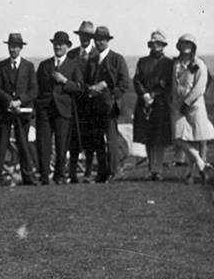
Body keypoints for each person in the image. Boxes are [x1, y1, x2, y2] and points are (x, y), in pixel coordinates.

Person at [35, 31, 84, 185]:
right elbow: (37, 88)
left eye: (61, 44)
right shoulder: (44, 65)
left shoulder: (74, 65)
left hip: (64, 110)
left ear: (67, 47)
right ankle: (44, 176)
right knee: (44, 144)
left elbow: (80, 88)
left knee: (62, 144)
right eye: (55, 44)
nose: (58, 47)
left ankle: (60, 175)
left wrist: (65, 81)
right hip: (45, 109)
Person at [84, 26, 130, 183]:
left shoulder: (117, 59)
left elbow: (125, 82)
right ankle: (102, 172)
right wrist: (91, 88)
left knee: (111, 140)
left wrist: (110, 92)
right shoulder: (92, 60)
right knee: (97, 140)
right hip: (94, 105)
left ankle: (114, 171)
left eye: (102, 39)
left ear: (107, 41)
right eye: (96, 39)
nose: (99, 42)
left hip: (110, 106)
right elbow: (86, 81)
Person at [0, 33, 38, 186]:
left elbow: (33, 90)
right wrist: (9, 102)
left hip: (22, 112)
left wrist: (19, 102)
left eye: (16, 47)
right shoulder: (0, 66)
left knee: (23, 145)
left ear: (21, 48)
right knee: (2, 145)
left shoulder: (29, 66)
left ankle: (28, 177)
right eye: (11, 47)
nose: (13, 50)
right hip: (5, 111)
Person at [170, 34, 214, 184]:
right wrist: (176, 103)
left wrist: (187, 103)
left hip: (194, 106)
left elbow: (200, 87)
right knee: (178, 137)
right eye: (183, 43)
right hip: (178, 106)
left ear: (193, 46)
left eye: (189, 44)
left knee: (196, 138)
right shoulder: (176, 64)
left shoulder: (199, 64)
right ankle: (202, 164)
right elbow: (174, 85)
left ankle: (190, 174)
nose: (186, 46)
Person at [132, 31, 174, 180]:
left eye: (159, 43)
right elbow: (136, 80)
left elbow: (167, 83)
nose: (156, 45)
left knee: (160, 138)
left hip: (161, 104)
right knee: (148, 137)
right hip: (144, 103)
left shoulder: (168, 63)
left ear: (163, 45)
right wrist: (144, 95)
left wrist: (154, 95)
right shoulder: (142, 61)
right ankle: (151, 169)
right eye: (153, 43)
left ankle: (159, 169)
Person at [68, 20, 98, 182]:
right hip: (74, 104)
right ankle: (72, 173)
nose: (83, 38)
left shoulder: (96, 54)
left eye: (87, 36)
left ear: (91, 38)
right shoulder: (72, 54)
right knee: (74, 138)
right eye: (81, 35)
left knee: (90, 139)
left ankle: (87, 171)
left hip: (91, 104)